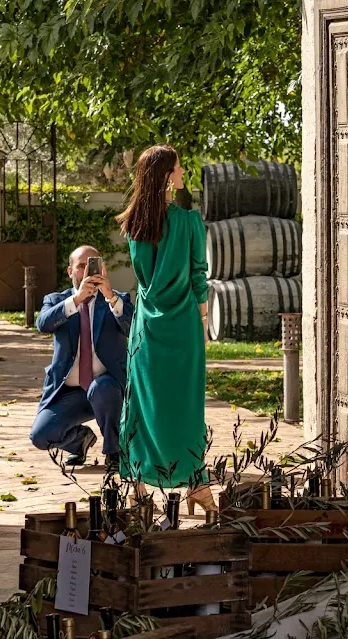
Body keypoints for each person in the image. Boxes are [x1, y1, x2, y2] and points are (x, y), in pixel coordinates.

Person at [116, 144, 216, 514]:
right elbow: (198, 276)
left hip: (147, 327)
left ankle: (136, 488)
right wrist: (203, 321)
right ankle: (196, 485)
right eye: (179, 167)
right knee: (186, 407)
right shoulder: (188, 222)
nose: (183, 172)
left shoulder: (134, 223)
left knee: (143, 406)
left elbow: (144, 278)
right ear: (167, 176)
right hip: (184, 325)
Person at [30, 246, 133, 471]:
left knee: (102, 388)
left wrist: (110, 297)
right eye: (81, 266)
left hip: (107, 389)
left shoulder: (116, 299)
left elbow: (133, 329)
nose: (87, 271)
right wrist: (76, 300)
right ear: (70, 272)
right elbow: (43, 325)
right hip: (69, 392)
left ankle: (114, 452)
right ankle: (79, 441)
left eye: (93, 265)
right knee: (40, 435)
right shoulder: (56, 300)